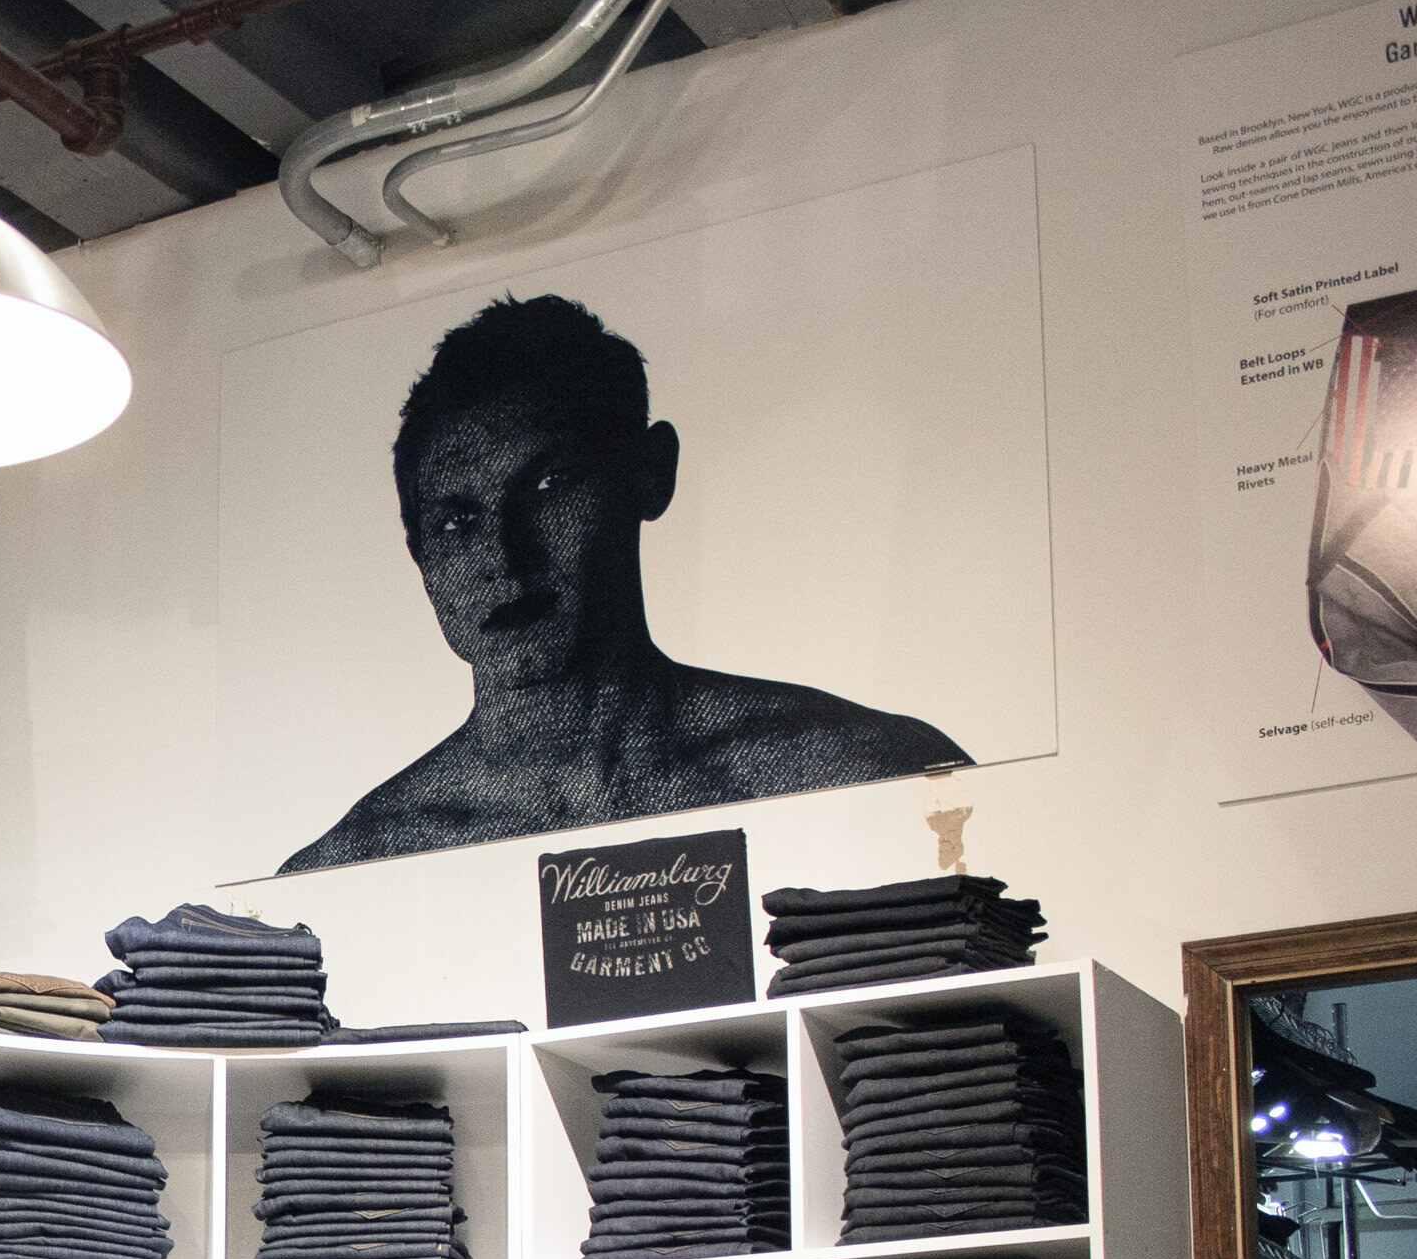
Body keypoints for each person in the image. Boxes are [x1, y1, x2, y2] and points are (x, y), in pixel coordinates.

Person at [282, 294, 965, 873]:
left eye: (549, 484)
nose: (504, 554)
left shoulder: (870, 770)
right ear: (420, 555)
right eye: (459, 521)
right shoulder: (351, 868)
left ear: (648, 473)